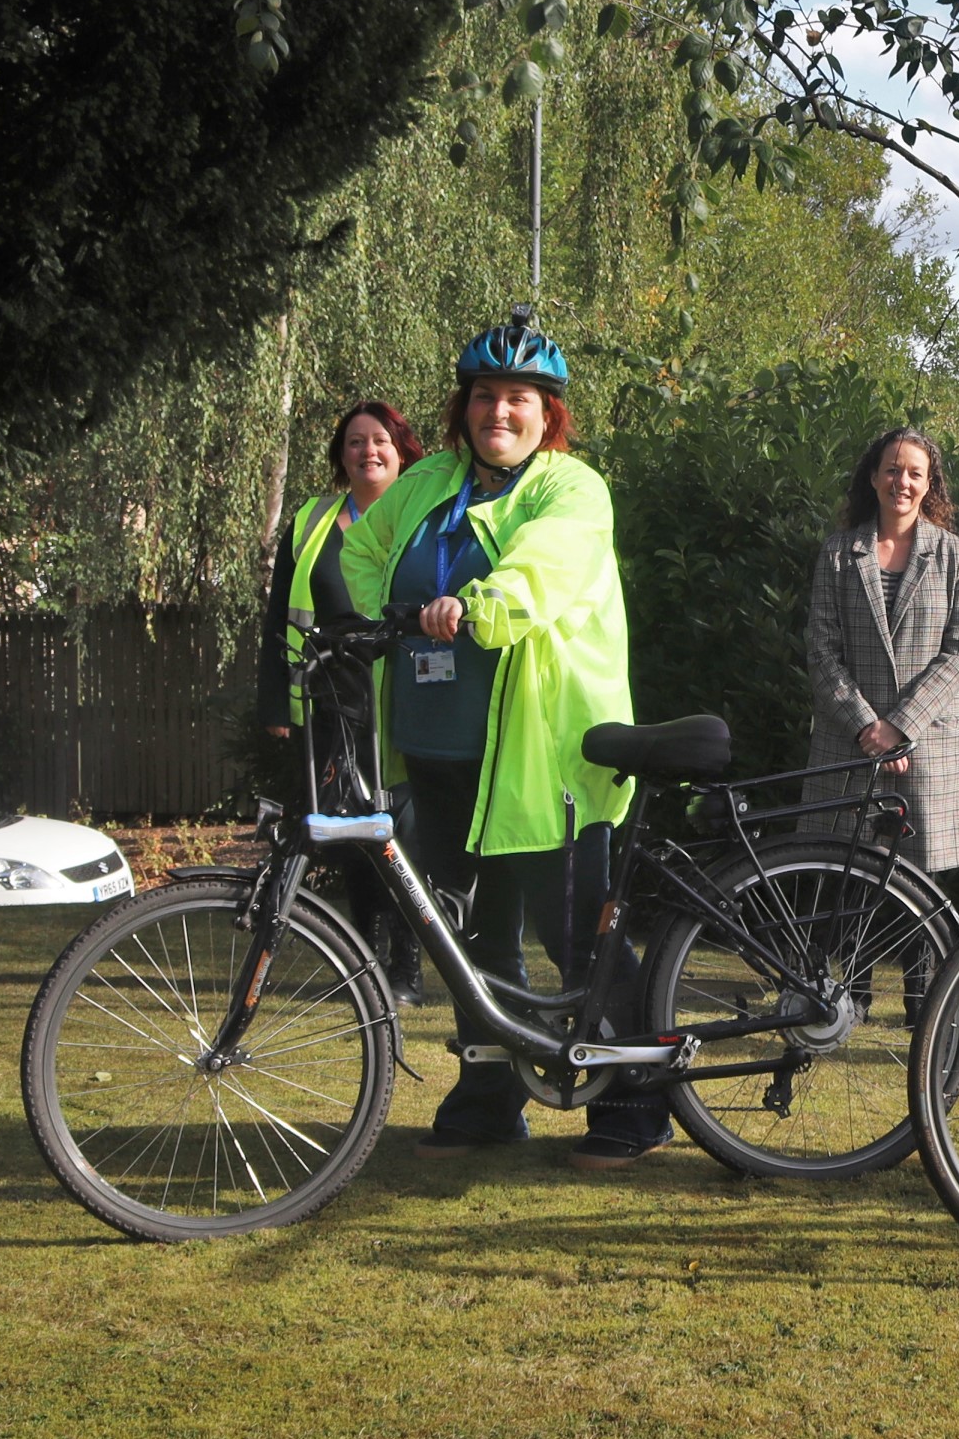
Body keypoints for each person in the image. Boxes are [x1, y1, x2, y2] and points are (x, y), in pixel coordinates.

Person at [339, 310, 662, 1167]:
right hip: (436, 746)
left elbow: (545, 566)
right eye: (486, 396)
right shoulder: (428, 481)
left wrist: (475, 608)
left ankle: (634, 1106)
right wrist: (384, 616)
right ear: (464, 406)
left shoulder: (569, 486)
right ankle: (489, 1099)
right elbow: (362, 550)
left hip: (537, 754)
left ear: (546, 412)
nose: (500, 413)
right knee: (468, 934)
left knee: (572, 937)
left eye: (519, 398)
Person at [260, 401, 422, 996]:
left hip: (406, 704)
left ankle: (407, 968)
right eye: (355, 442)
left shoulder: (423, 519)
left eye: (380, 440)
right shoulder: (309, 521)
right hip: (334, 708)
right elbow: (279, 616)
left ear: (402, 451)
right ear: (341, 457)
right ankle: (366, 965)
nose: (368, 452)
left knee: (403, 835)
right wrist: (275, 706)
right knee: (351, 838)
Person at [805, 427, 959, 877]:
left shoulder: (954, 555)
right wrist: (869, 727)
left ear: (928, 484)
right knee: (837, 894)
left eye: (914, 474)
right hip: (848, 746)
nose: (902, 482)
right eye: (892, 470)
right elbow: (821, 650)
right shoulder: (839, 553)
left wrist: (900, 727)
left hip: (925, 747)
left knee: (922, 907)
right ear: (873, 477)